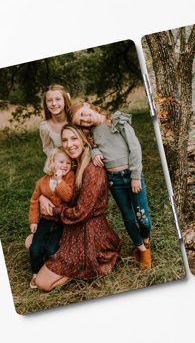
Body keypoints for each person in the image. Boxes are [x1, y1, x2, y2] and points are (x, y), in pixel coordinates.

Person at [34, 124, 122, 292]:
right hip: (71, 226)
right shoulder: (74, 164)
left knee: (42, 283)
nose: (69, 144)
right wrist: (43, 197)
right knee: (30, 242)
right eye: (65, 140)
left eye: (74, 138)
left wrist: (54, 211)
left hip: (89, 231)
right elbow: (51, 184)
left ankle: (84, 268)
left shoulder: (92, 169)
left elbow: (80, 213)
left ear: (83, 139)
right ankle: (76, 267)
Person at [68, 100, 152, 269]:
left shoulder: (116, 120)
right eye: (81, 122)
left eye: (83, 114)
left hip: (131, 175)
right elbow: (91, 146)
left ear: (87, 104)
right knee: (128, 217)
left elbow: (135, 148)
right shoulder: (91, 133)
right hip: (114, 180)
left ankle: (145, 239)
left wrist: (135, 175)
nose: (85, 120)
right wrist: (95, 151)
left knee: (143, 217)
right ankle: (142, 250)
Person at [28, 148, 74, 289]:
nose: (65, 165)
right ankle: (36, 272)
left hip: (61, 221)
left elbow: (68, 196)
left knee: (51, 248)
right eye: (61, 161)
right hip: (46, 220)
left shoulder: (70, 177)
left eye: (68, 162)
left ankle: (51, 266)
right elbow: (34, 200)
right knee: (35, 247)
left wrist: (60, 180)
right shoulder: (42, 181)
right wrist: (34, 221)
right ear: (52, 162)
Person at [39, 84, 72, 172]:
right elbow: (48, 149)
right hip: (62, 166)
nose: (54, 104)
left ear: (65, 101)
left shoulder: (74, 120)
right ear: (45, 104)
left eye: (58, 99)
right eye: (49, 100)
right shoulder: (45, 127)